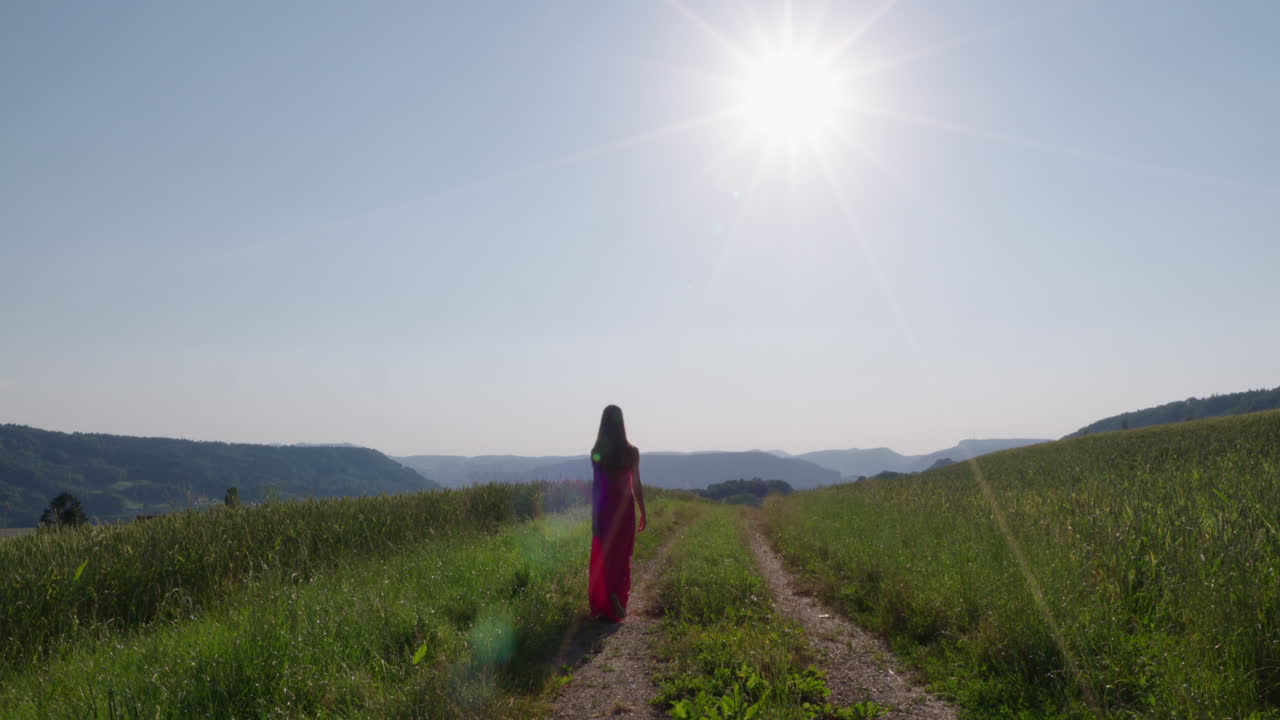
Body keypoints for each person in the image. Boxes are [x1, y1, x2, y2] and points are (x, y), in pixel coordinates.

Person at [588, 404, 647, 622]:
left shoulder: (597, 453)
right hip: (625, 511)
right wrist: (643, 512)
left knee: (605, 556)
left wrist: (595, 517)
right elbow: (637, 485)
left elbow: (597, 487)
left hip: (605, 510)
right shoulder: (632, 452)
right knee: (623, 558)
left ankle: (604, 603)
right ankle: (618, 599)